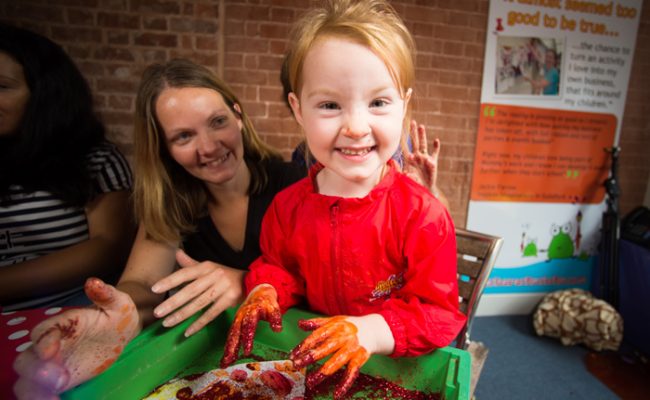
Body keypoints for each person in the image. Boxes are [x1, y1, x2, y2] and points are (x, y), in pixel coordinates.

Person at [220, 1, 466, 398]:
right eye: (330, 105)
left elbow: (438, 312)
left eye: (379, 103)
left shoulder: (423, 214)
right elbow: (280, 267)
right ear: (298, 110)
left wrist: (370, 329)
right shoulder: (287, 208)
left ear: (403, 105)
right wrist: (265, 290)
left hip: (395, 369)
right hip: (318, 365)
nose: (355, 126)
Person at [0, 23, 135, 311]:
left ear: (43, 94)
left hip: (66, 310)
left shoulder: (96, 160)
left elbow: (109, 247)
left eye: (2, 87)